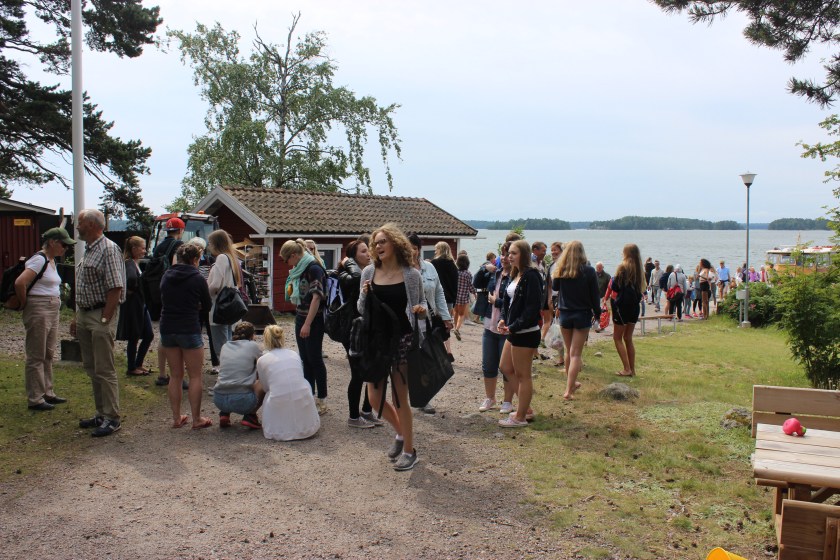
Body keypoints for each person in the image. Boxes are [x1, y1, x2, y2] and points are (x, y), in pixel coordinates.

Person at [357, 224, 426, 471]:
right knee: (374, 399)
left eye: (383, 241)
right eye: (375, 243)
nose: (378, 246)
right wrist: (365, 294)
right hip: (375, 341)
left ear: (395, 244)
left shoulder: (411, 275)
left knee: (399, 398)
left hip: (402, 340)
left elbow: (421, 307)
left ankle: (409, 451)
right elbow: (360, 308)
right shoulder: (368, 272)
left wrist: (421, 311)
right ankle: (400, 433)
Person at [72, 209, 126, 437]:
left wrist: (105, 318)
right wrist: (77, 317)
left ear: (92, 225)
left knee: (104, 368)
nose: (77, 226)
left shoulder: (108, 249)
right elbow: (84, 286)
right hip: (86, 314)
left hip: (100, 314)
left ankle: (112, 417)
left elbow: (115, 287)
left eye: (80, 222)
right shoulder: (89, 249)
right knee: (92, 367)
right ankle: (101, 413)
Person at [16, 227, 74, 411]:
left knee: (48, 353)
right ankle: (35, 398)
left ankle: (47, 391)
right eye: (63, 244)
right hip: (39, 308)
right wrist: (24, 303)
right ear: (52, 242)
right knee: (36, 354)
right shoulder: (39, 259)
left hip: (51, 308)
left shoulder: (51, 260)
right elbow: (20, 282)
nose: (65, 248)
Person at [160, 243, 213, 429]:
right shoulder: (197, 278)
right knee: (195, 375)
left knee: (175, 375)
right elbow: (207, 305)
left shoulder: (166, 275)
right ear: (194, 259)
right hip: (189, 327)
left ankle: (176, 418)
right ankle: (196, 418)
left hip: (167, 327)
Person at [497, 239, 543, 427]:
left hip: (526, 331)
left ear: (523, 254)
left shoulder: (532, 275)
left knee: (523, 375)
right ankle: (526, 409)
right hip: (515, 330)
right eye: (509, 253)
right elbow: (507, 302)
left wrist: (514, 326)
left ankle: (521, 417)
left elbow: (532, 308)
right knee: (505, 367)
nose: (510, 256)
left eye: (514, 253)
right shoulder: (516, 274)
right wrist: (503, 319)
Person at [280, 238, 328, 414]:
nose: (287, 263)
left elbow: (317, 297)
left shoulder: (314, 268)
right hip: (301, 317)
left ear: (294, 255)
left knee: (315, 359)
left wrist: (307, 324)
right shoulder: (299, 269)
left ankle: (322, 399)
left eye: (286, 260)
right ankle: (309, 395)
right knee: (305, 359)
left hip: (313, 320)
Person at [407, 232, 453, 414]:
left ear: (419, 249)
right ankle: (404, 398)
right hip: (407, 325)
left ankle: (423, 398)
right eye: (408, 248)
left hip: (427, 322)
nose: (412, 251)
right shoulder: (399, 270)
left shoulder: (430, 268)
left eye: (414, 248)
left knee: (425, 361)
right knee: (408, 363)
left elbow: (439, 292)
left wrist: (446, 316)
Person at [336, 239, 379, 428]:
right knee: (358, 373)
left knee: (373, 370)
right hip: (352, 330)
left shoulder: (371, 272)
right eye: (363, 251)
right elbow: (356, 279)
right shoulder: (346, 274)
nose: (368, 254)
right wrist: (349, 263)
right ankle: (353, 417)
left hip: (370, 328)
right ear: (352, 256)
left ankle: (367, 411)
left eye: (368, 250)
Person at [552, 240, 600, 401]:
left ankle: (571, 383)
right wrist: (598, 314)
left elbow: (555, 287)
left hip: (565, 314)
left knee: (568, 351)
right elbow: (595, 296)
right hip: (582, 314)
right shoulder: (589, 271)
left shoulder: (561, 269)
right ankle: (569, 390)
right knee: (576, 354)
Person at [258, 324, 321, 441]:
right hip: (307, 417)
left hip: (278, 401)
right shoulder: (294, 354)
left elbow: (265, 387)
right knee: (303, 383)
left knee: (269, 390)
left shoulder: (262, 360)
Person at [213, 321, 264, 429]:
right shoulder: (253, 346)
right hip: (242, 401)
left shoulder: (225, 346)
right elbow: (263, 366)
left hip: (219, 399)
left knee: (230, 374)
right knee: (263, 381)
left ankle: (224, 413)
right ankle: (250, 416)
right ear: (252, 335)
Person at [152, 217, 184, 387]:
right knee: (179, 336)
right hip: (176, 293)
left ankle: (162, 373)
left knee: (163, 334)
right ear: (181, 230)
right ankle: (177, 375)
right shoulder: (179, 246)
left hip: (160, 291)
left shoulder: (158, 247)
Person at [480, 241, 512, 412]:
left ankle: (507, 401)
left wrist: (496, 301)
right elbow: (477, 282)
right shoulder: (496, 273)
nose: (505, 258)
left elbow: (513, 303)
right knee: (488, 364)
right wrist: (485, 267)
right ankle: (490, 398)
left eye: (508, 254)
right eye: (503, 254)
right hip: (489, 324)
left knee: (506, 367)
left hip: (506, 327)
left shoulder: (517, 277)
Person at [117, 236, 154, 377]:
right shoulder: (129, 264)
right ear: (134, 249)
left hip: (140, 304)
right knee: (134, 335)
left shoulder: (134, 263)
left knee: (148, 334)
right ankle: (132, 367)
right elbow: (131, 279)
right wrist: (133, 290)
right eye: (142, 248)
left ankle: (138, 363)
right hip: (134, 305)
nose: (145, 251)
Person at [610, 243, 646, 377]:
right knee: (628, 338)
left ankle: (627, 368)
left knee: (617, 337)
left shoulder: (622, 267)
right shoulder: (639, 269)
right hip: (634, 306)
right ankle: (632, 369)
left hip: (622, 306)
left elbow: (615, 286)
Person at [207, 230, 242, 363]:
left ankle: (227, 373)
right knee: (228, 344)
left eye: (210, 243)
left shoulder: (221, 258)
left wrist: (203, 295)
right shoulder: (231, 258)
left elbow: (216, 285)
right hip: (228, 307)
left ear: (216, 244)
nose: (209, 246)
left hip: (218, 308)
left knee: (221, 348)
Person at [187, 237, 220, 373]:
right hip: (195, 301)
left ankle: (216, 363)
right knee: (195, 332)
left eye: (199, 247)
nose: (198, 250)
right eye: (195, 246)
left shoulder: (210, 260)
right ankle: (194, 362)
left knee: (212, 333)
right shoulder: (189, 263)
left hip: (207, 298)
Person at [453, 253, 474, 340]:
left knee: (455, 312)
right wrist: (474, 292)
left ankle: (455, 327)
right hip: (463, 297)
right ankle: (457, 329)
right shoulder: (468, 273)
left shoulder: (455, 272)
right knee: (461, 314)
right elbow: (470, 285)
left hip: (455, 295)